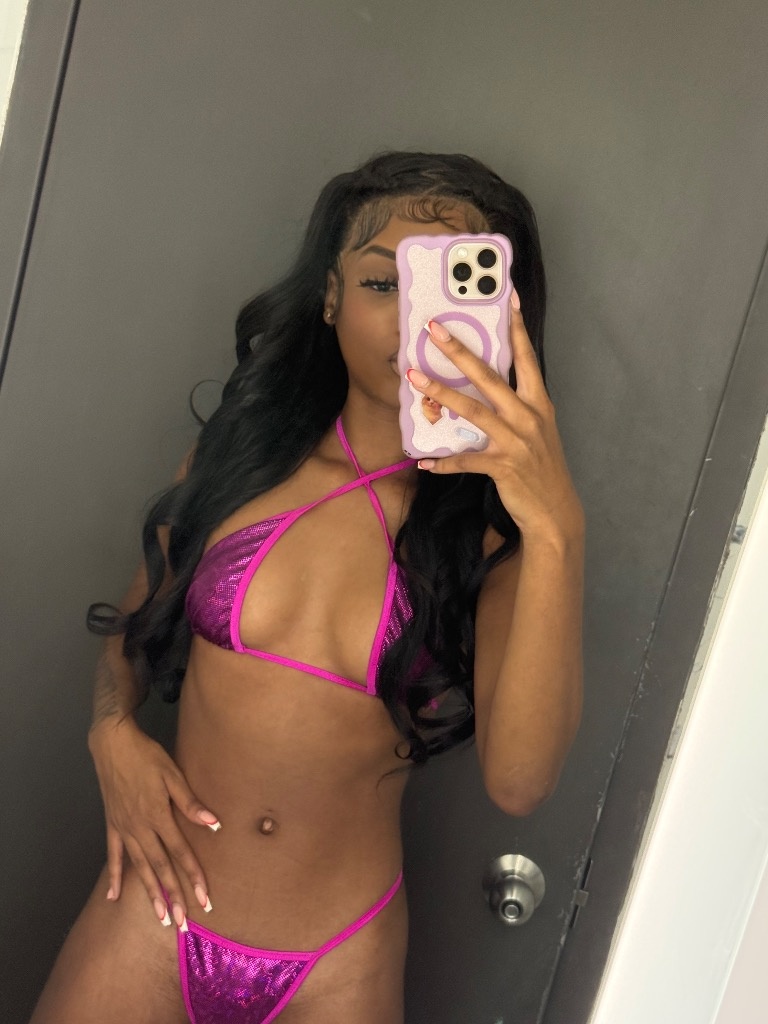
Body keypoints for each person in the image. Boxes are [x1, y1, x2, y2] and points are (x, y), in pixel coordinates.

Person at [31, 151, 584, 1024]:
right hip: (153, 916)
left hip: (340, 964)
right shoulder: (240, 461)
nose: (413, 323)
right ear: (330, 296)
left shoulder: (491, 539)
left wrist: (556, 528)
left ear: (499, 316)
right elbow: (128, 636)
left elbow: (520, 783)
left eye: (444, 293)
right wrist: (111, 733)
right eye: (382, 283)